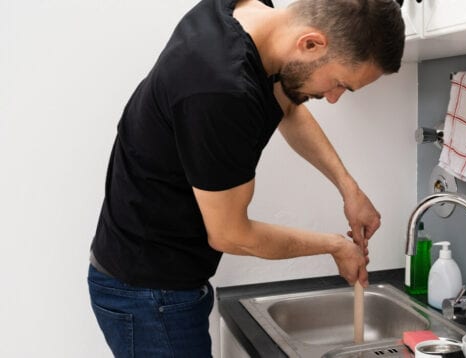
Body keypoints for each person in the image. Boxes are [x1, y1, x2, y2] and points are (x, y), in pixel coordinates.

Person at [86, 0, 405, 356]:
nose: (332, 98)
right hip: (148, 292)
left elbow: (286, 102)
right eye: (340, 84)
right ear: (310, 43)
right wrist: (335, 245)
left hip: (161, 281)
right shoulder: (219, 90)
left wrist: (350, 189)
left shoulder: (252, 15)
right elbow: (230, 234)